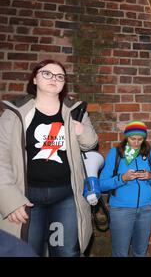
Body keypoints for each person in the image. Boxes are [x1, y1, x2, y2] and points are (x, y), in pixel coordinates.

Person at [0, 59, 98, 256]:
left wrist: (79, 129)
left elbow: (90, 143)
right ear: (35, 79)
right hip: (26, 198)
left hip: (66, 196)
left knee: (66, 252)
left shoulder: (75, 110)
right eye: (47, 73)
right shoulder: (14, 113)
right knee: (28, 252)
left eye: (59, 76)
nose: (54, 78)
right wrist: (9, 200)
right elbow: (1, 158)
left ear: (63, 84)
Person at [99, 121, 151, 257]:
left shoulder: (149, 153)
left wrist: (150, 176)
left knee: (141, 252)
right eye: (132, 139)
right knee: (120, 253)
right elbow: (102, 184)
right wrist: (122, 178)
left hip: (146, 209)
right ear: (126, 137)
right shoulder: (115, 153)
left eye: (140, 139)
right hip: (121, 211)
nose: (136, 143)